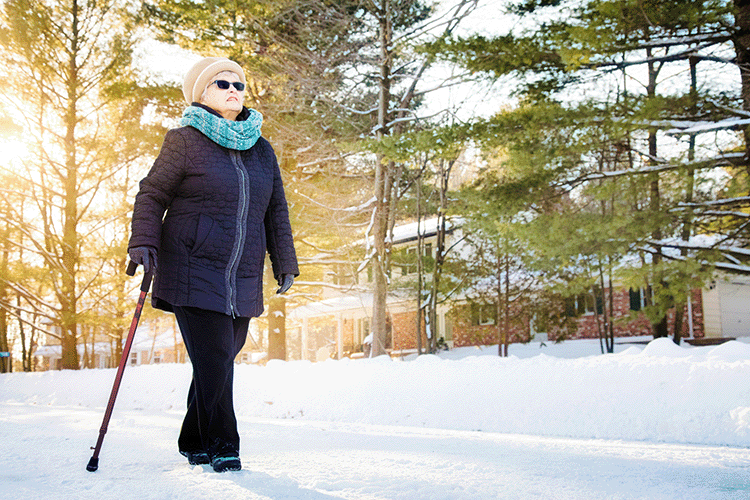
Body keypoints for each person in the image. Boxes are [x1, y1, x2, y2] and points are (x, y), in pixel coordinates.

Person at [128, 57, 299, 473]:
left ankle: (193, 440)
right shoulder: (184, 141)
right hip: (190, 266)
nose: (233, 90)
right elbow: (152, 195)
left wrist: (284, 261)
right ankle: (224, 444)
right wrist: (144, 241)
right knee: (216, 353)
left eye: (239, 83)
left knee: (219, 359)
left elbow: (276, 210)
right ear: (200, 93)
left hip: (241, 274)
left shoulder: (261, 150)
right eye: (222, 83)